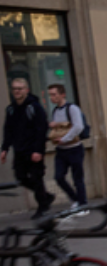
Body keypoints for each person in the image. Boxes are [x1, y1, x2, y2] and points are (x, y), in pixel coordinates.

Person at [2, 78, 53, 218]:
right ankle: (46, 196)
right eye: (14, 89)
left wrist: (38, 150)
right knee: (21, 177)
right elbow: (8, 130)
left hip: (33, 149)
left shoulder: (34, 107)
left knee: (37, 178)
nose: (17, 91)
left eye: (20, 88)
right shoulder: (11, 109)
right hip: (19, 150)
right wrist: (4, 149)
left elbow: (41, 130)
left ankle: (42, 206)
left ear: (26, 90)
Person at [47, 84, 88, 213]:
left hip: (74, 148)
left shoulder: (72, 109)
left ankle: (83, 205)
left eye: (54, 94)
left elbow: (78, 127)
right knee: (58, 177)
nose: (52, 97)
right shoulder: (55, 111)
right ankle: (75, 199)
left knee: (78, 179)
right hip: (61, 150)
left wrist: (64, 139)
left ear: (62, 94)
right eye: (50, 95)